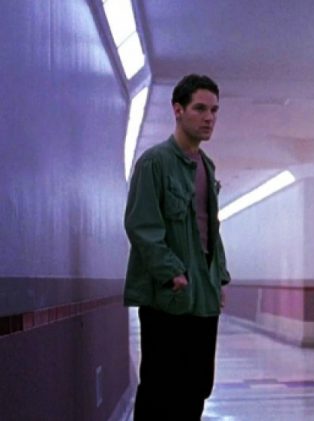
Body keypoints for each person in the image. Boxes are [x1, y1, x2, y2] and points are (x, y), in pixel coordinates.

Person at [123, 74, 231, 420]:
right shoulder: (154, 163)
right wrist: (172, 272)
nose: (209, 117)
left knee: (197, 386)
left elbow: (211, 229)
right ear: (178, 110)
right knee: (161, 388)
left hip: (204, 295)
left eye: (214, 110)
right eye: (200, 108)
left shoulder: (207, 166)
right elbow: (141, 226)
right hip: (169, 297)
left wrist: (219, 278)